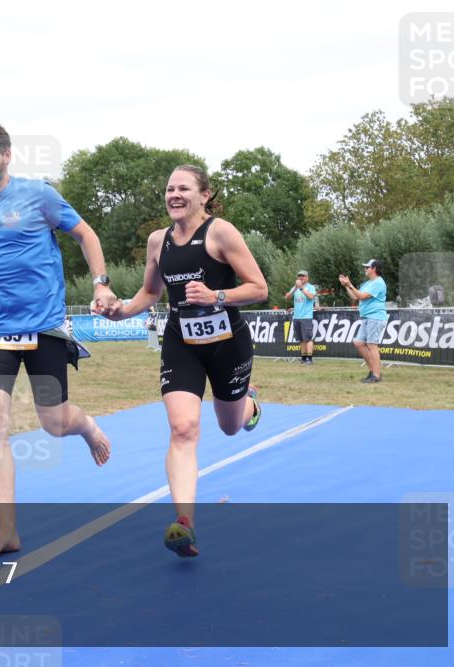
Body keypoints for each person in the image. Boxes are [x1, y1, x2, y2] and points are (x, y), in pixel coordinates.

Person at [0, 120, 115, 557]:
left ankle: (84, 425)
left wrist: (101, 283)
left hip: (45, 326)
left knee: (54, 424)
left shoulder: (39, 195)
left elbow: (85, 234)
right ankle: (7, 528)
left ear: (6, 155)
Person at [101, 164, 268, 558]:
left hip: (228, 344)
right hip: (181, 343)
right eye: (169, 189)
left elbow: (259, 288)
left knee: (229, 427)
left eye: (184, 189)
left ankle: (250, 405)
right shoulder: (158, 241)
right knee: (183, 428)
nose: (174, 195)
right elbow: (150, 292)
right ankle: (184, 524)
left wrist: (216, 297)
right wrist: (121, 312)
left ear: (204, 195)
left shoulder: (221, 232)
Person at [340, 259, 387, 383]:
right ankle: (373, 372)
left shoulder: (378, 282)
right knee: (358, 343)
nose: (365, 269)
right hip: (367, 317)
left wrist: (350, 284)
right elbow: (355, 297)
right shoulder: (368, 283)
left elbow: (361, 296)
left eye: (367, 267)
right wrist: (347, 286)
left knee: (372, 345)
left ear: (374, 269)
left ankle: (376, 376)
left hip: (375, 317)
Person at [286, 270, 317, 364]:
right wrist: (295, 288)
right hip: (297, 317)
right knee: (301, 339)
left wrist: (301, 288)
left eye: (303, 276)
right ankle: (303, 358)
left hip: (306, 317)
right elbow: (287, 297)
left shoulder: (311, 287)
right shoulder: (295, 288)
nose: (301, 278)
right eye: (299, 276)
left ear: (307, 278)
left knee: (308, 338)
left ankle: (310, 359)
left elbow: (311, 297)